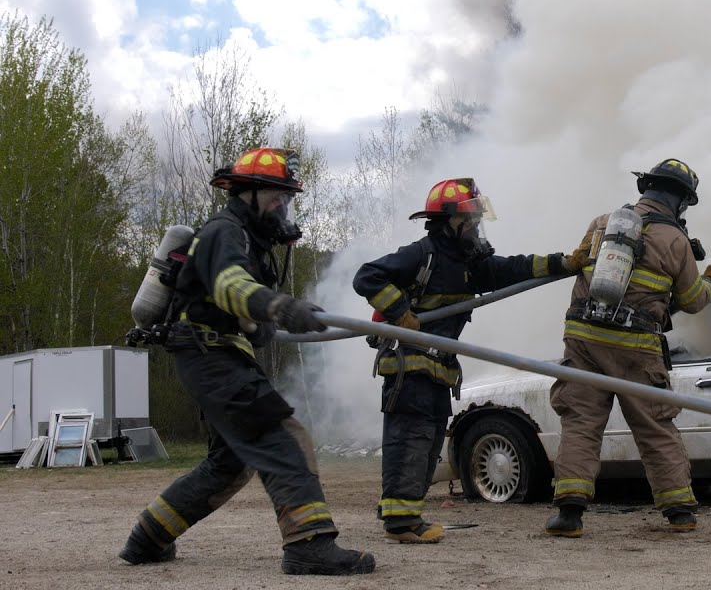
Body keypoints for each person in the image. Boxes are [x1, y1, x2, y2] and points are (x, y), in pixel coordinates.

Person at [119, 147, 375, 575]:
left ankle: (147, 538)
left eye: (286, 198)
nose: (283, 206)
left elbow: (240, 315)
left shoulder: (248, 241)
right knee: (281, 436)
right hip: (211, 357)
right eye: (276, 196)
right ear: (248, 192)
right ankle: (309, 544)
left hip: (213, 357)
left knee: (229, 463)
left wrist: (263, 324)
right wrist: (278, 306)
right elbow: (228, 286)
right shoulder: (224, 230)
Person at [352, 177, 580, 544]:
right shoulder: (421, 255)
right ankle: (400, 522)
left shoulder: (468, 265)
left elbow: (512, 269)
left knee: (428, 447)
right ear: (450, 222)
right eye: (469, 220)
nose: (475, 227)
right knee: (410, 441)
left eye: (477, 220)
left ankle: (402, 512)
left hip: (439, 371)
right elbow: (367, 276)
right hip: (409, 369)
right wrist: (398, 311)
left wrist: (562, 263)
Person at [545, 158, 711, 538]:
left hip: (584, 339)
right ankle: (680, 511)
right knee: (654, 426)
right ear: (680, 201)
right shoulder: (675, 241)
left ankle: (569, 515)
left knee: (581, 423)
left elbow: (579, 262)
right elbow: (692, 301)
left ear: (646, 188)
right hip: (635, 346)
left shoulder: (602, 223)